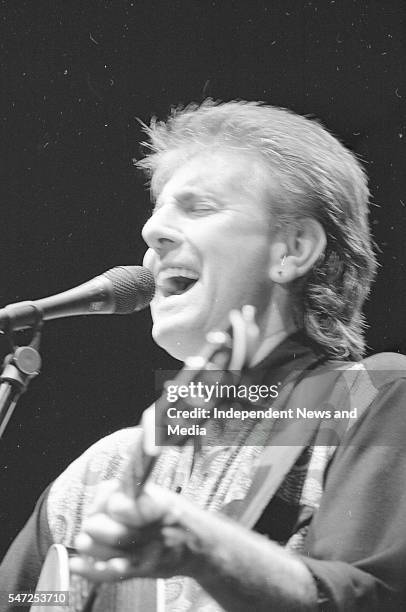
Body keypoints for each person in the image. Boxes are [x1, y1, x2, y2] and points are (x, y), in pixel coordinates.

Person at [1, 100, 406, 611]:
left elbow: (374, 600)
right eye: (157, 212)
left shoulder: (369, 402)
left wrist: (206, 550)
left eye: (199, 208)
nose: (152, 233)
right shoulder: (99, 474)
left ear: (293, 249)